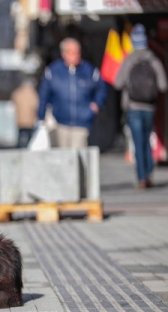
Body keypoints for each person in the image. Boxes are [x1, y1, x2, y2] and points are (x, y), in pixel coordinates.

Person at [114, 24, 167, 189]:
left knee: (138, 142)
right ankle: (149, 174)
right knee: (147, 142)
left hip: (133, 107)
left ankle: (141, 177)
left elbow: (117, 83)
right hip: (150, 107)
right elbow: (163, 85)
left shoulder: (129, 59)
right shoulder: (153, 59)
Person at [37, 38, 107, 148]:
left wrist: (96, 104)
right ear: (64, 53)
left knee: (77, 155)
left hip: (82, 122)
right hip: (59, 122)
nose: (76, 55)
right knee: (62, 157)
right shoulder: (53, 71)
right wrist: (41, 116)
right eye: (72, 52)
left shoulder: (89, 70)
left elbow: (101, 88)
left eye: (77, 52)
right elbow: (44, 94)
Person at [11, 79, 38, 148]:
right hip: (30, 121)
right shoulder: (33, 94)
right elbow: (36, 106)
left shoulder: (18, 93)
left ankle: (19, 151)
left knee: (21, 139)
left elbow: (13, 102)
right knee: (30, 140)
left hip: (20, 121)